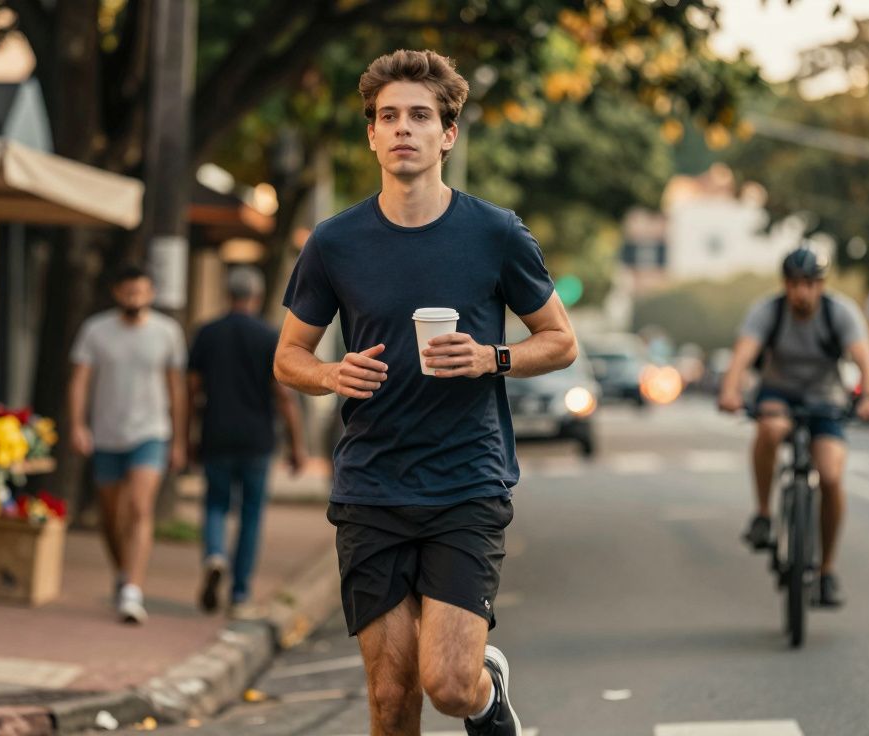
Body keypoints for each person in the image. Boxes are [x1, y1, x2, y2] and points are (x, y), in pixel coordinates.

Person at [274, 49, 577, 736]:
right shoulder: (334, 242)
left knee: (447, 684)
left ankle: (487, 695)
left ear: (447, 134)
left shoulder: (495, 233)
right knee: (390, 697)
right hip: (371, 484)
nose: (403, 128)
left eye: (419, 115)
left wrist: (492, 356)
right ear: (372, 135)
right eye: (388, 117)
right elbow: (288, 356)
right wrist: (330, 374)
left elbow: (560, 340)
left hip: (465, 482)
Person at [717, 246, 869, 609]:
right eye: (794, 284)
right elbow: (742, 356)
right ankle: (763, 515)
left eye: (809, 284)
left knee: (831, 476)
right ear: (785, 284)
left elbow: (866, 361)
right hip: (778, 393)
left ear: (821, 285)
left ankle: (826, 571)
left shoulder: (840, 313)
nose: (801, 292)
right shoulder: (768, 311)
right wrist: (730, 391)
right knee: (769, 429)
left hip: (826, 399)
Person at [69, 266, 188, 624]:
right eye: (128, 291)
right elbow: (79, 382)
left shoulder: (167, 332)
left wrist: (178, 440)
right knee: (109, 517)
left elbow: (176, 388)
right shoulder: (95, 330)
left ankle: (133, 591)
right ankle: (124, 572)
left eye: (140, 291)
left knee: (138, 507)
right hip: (106, 433)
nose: (134, 298)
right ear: (117, 292)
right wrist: (78, 425)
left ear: (151, 293)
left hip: (151, 433)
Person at [187, 266, 307, 617]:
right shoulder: (269, 336)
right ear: (256, 296)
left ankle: (214, 554)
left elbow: (191, 390)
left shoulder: (207, 333)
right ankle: (240, 593)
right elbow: (283, 396)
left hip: (215, 433)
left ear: (227, 295)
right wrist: (297, 445)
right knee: (251, 515)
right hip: (257, 438)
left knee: (215, 503)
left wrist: (188, 435)